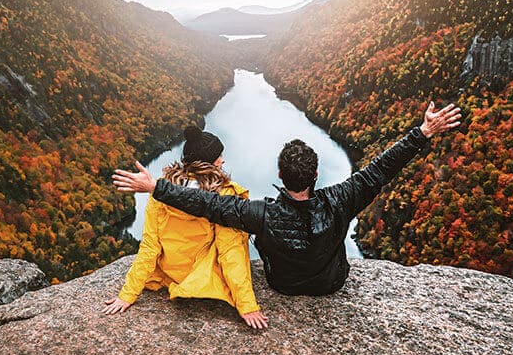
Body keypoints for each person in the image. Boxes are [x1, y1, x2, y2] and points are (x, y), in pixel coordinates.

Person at [113, 101, 462, 296]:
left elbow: (206, 204)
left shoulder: (259, 214)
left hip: (282, 285)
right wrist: (423, 132)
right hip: (331, 284)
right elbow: (380, 170)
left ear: (280, 176)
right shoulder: (341, 199)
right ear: (315, 174)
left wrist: (156, 187)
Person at [103, 126, 268, 329]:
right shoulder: (224, 194)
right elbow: (230, 252)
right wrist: (247, 305)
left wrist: (127, 295)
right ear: (207, 163)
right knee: (235, 235)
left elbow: (150, 246)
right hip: (201, 276)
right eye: (219, 156)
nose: (222, 160)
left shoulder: (162, 190)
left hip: (169, 271)